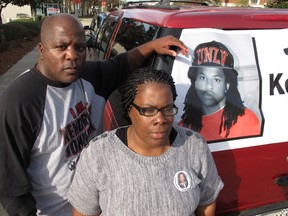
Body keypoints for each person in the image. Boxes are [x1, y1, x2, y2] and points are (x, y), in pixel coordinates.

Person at [0, 13, 188, 216]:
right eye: (61, 47)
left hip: (99, 205)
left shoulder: (88, 77)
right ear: (42, 50)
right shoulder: (19, 101)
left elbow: (121, 64)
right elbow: (10, 187)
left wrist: (153, 46)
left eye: (79, 47)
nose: (72, 55)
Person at [67, 67, 224, 216]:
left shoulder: (193, 146)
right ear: (129, 109)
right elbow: (84, 212)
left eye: (168, 109)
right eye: (148, 110)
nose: (160, 119)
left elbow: (206, 202)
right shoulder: (99, 153)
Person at [179, 40, 261, 141]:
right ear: (195, 82)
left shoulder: (247, 119)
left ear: (227, 84)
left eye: (216, 79)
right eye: (202, 77)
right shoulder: (183, 127)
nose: (209, 86)